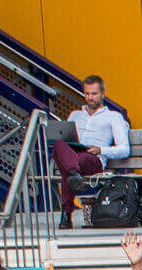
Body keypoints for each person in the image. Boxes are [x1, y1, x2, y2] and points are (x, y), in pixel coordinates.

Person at [53, 76, 130, 229]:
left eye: (94, 94)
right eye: (87, 94)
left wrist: (101, 150)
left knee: (70, 165)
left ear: (103, 94)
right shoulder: (75, 115)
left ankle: (66, 213)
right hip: (73, 155)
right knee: (58, 143)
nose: (90, 97)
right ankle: (74, 174)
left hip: (93, 159)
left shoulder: (113, 117)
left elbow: (124, 149)